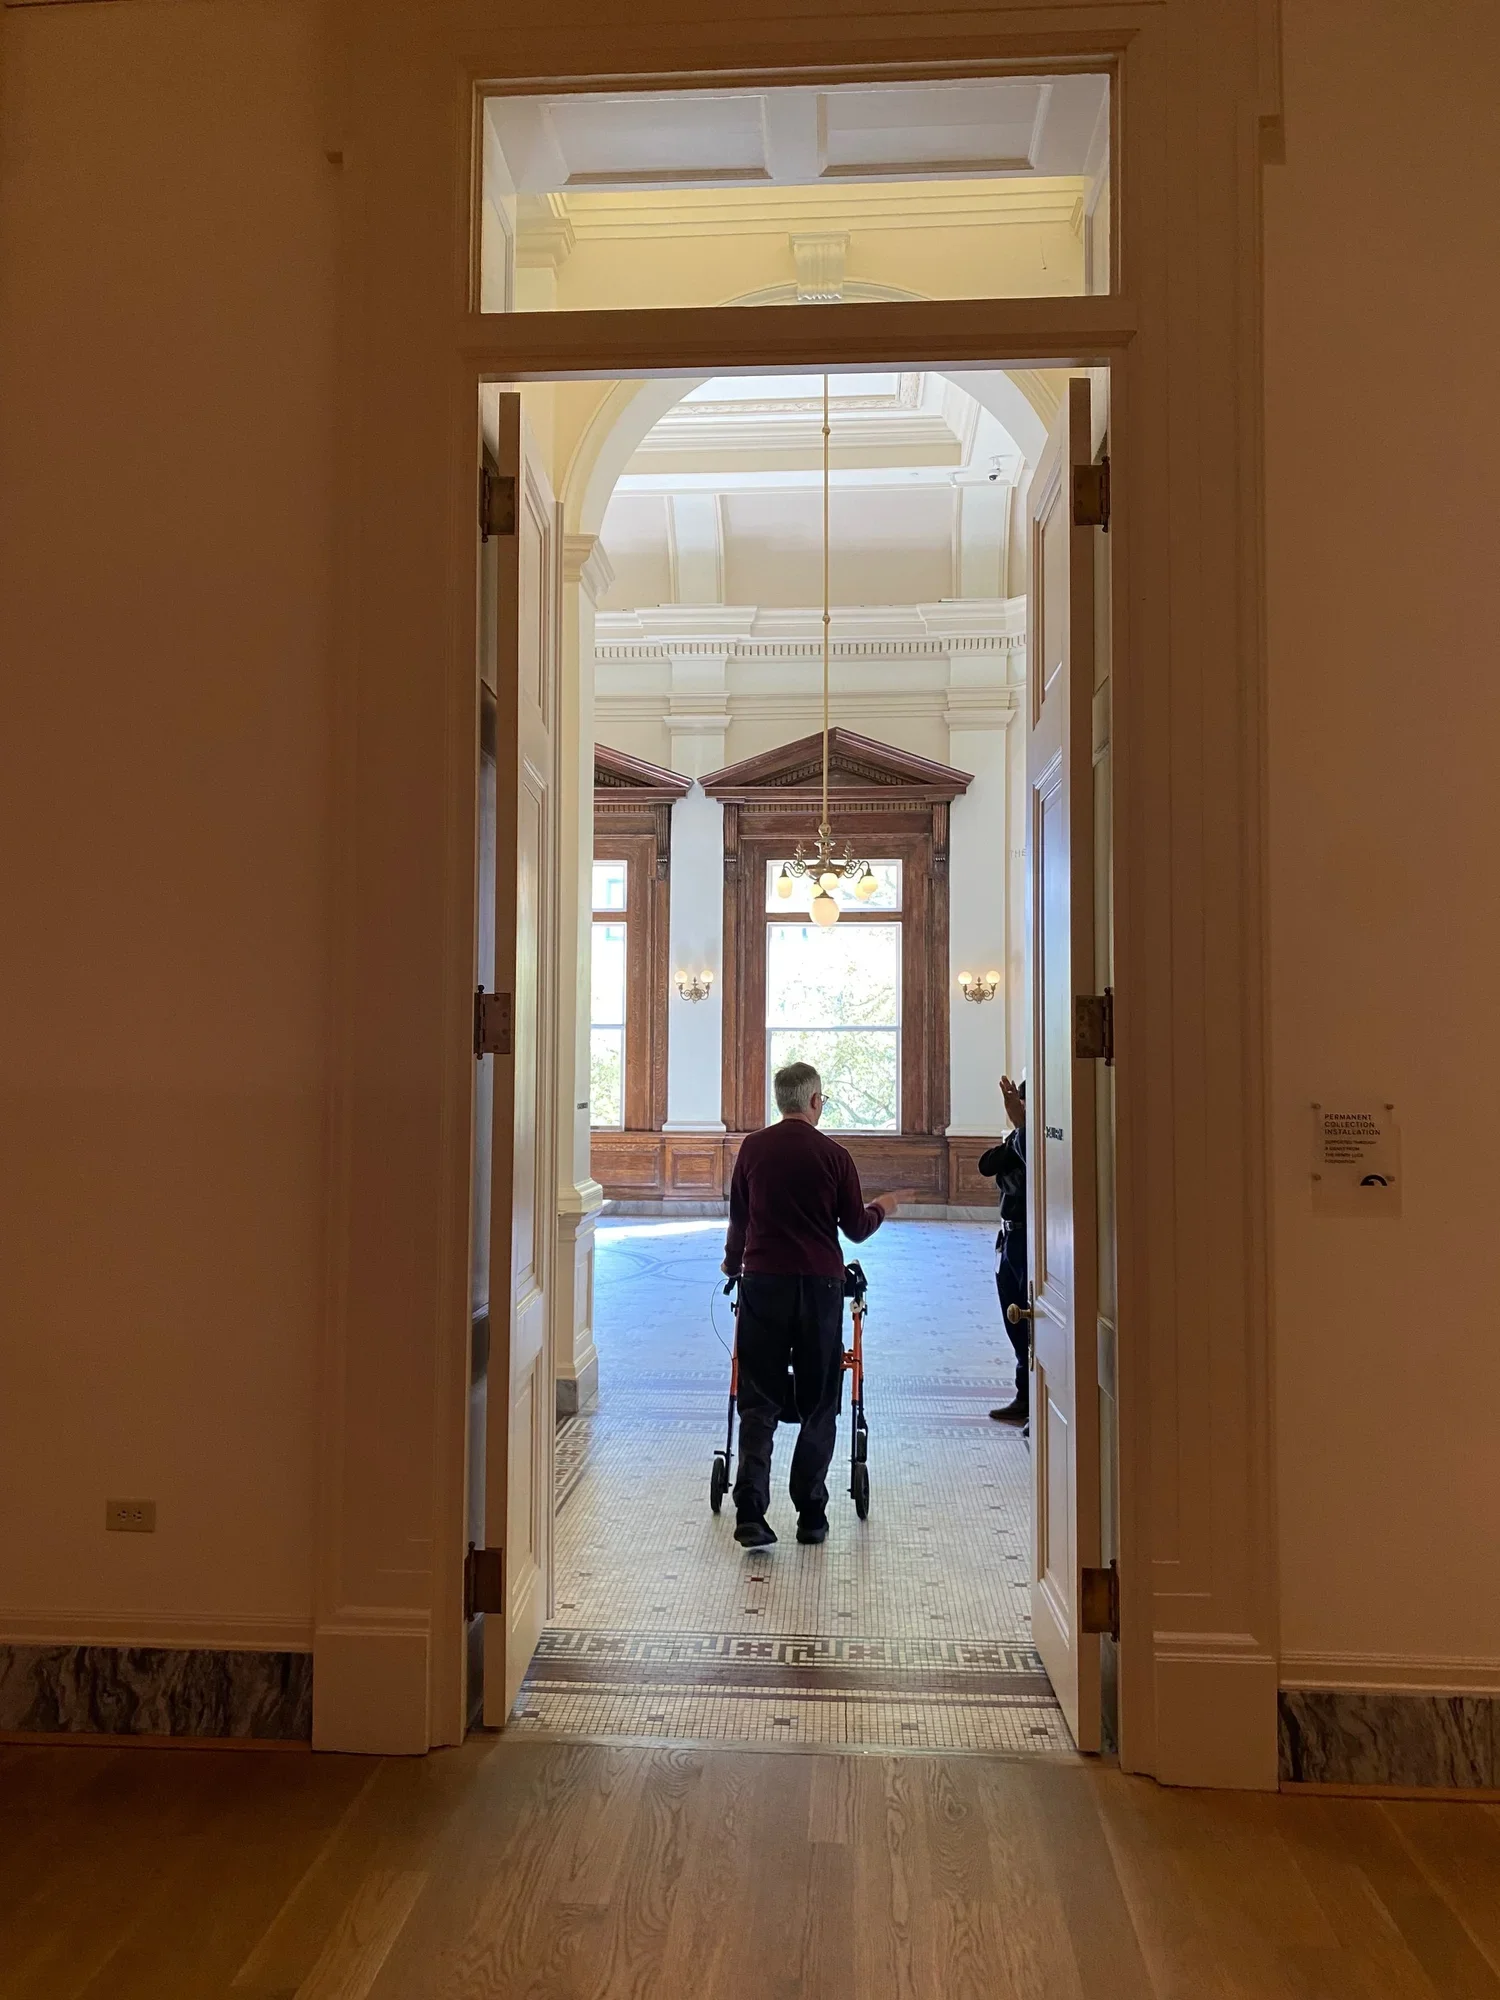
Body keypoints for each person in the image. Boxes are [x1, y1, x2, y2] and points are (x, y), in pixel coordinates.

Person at [721, 1061, 913, 1549]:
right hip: (820, 1289)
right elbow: (855, 1229)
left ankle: (749, 1511)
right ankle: (810, 1512)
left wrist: (731, 1265)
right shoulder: (834, 1155)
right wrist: (884, 1206)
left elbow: (739, 1221)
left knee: (759, 1399)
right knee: (820, 1399)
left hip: (762, 1284)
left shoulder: (752, 1149)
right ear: (813, 1101)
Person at [979, 1076, 1029, 1428]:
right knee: (1015, 1320)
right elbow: (987, 1164)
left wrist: (1024, 1128)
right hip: (1009, 1238)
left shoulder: (1043, 1140)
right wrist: (1018, 1132)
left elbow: (1021, 1173)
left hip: (1030, 1240)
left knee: (1032, 1323)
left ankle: (1034, 1400)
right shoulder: (1020, 1139)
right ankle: (1024, 1396)